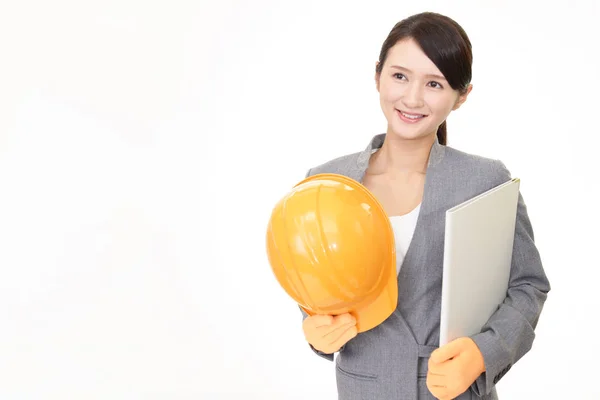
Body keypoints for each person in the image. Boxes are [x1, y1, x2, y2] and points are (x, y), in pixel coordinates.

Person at [299, 11, 551, 400]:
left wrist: (483, 354)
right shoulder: (325, 184)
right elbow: (315, 286)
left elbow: (528, 285)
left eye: (434, 83)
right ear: (378, 75)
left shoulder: (484, 182)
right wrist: (316, 331)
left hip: (453, 390)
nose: (412, 98)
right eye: (400, 76)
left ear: (461, 95)